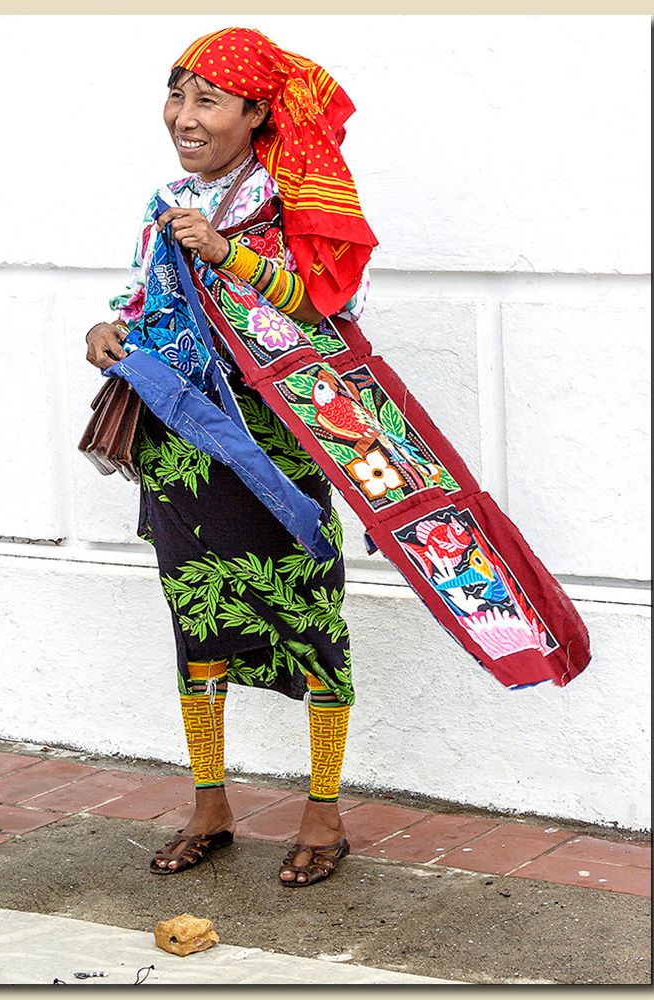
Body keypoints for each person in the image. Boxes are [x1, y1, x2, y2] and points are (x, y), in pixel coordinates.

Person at [85, 26, 377, 887]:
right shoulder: (166, 199)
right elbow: (145, 302)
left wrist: (230, 253)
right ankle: (210, 804)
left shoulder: (297, 202)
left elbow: (331, 311)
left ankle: (324, 812)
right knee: (197, 621)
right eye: (177, 95)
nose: (185, 115)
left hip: (276, 449)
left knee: (309, 622)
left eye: (207, 99)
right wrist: (110, 331)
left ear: (256, 111)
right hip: (182, 447)